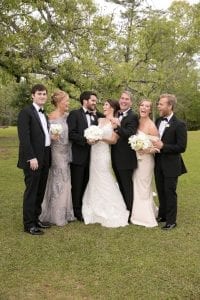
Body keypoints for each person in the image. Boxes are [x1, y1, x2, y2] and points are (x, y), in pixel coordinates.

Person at [82, 100, 129, 227]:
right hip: (94, 152)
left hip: (103, 153)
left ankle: (111, 207)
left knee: (104, 176)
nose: (104, 107)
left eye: (106, 105)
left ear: (113, 108)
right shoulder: (99, 120)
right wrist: (91, 139)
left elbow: (114, 140)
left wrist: (99, 138)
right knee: (94, 177)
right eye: (103, 105)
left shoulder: (116, 121)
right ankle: (94, 206)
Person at [17, 84, 51, 235]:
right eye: (39, 94)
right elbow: (24, 138)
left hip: (45, 155)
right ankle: (28, 224)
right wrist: (31, 157)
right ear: (33, 95)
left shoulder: (44, 113)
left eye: (44, 94)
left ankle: (36, 219)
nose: (42, 96)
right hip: (33, 158)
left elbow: (43, 135)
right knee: (32, 191)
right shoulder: (26, 112)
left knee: (40, 190)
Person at [40, 90, 75, 226]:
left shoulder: (68, 116)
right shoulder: (49, 118)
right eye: (66, 101)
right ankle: (55, 215)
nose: (68, 103)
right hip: (56, 153)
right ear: (59, 102)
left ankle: (67, 212)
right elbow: (43, 136)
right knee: (59, 182)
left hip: (67, 152)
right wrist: (50, 137)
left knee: (67, 182)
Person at [152, 94, 187, 230]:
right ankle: (163, 215)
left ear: (170, 106)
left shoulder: (180, 124)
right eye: (159, 104)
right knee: (160, 189)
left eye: (161, 104)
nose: (158, 106)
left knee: (169, 191)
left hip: (172, 164)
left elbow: (181, 147)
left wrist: (163, 146)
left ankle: (171, 221)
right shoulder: (158, 121)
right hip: (158, 162)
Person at [67, 91, 103, 221]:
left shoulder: (96, 115)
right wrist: (85, 139)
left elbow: (106, 119)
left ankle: (83, 207)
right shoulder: (74, 114)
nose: (95, 103)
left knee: (86, 183)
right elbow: (70, 134)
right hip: (78, 156)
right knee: (77, 184)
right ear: (85, 101)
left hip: (92, 157)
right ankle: (76, 211)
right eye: (93, 101)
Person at [130, 100, 159, 228]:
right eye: (142, 105)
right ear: (139, 107)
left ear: (150, 110)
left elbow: (157, 148)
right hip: (134, 160)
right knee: (136, 185)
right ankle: (137, 214)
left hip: (146, 161)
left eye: (147, 106)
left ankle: (145, 217)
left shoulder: (151, 126)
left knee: (144, 187)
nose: (144, 108)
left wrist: (145, 150)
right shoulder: (136, 122)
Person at [111, 91, 139, 220]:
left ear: (130, 102)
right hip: (115, 157)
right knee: (120, 184)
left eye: (126, 99)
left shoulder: (133, 116)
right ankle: (124, 209)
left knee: (127, 186)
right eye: (122, 98)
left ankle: (131, 211)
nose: (123, 101)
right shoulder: (116, 113)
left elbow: (130, 133)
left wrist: (117, 127)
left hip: (126, 158)